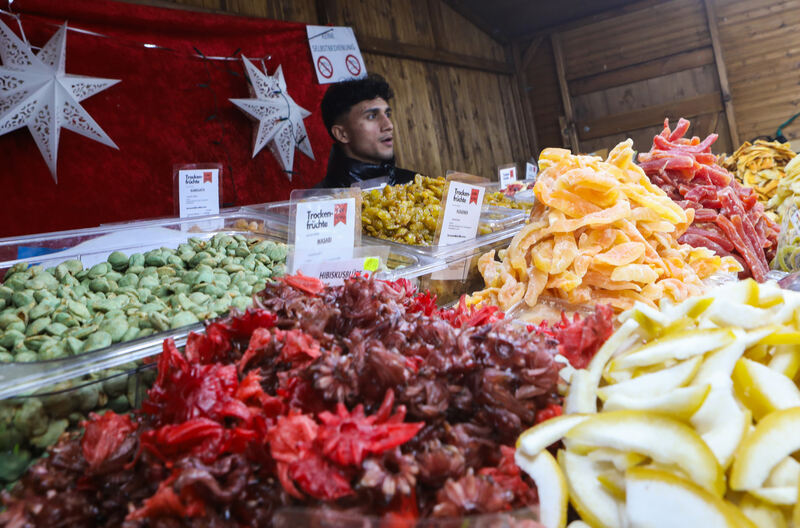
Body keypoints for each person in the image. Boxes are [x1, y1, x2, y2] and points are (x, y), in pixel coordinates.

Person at [315, 74, 416, 188]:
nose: (389, 125)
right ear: (342, 134)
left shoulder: (418, 186)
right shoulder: (315, 202)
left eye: (387, 114)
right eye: (372, 116)